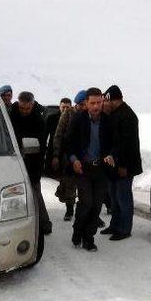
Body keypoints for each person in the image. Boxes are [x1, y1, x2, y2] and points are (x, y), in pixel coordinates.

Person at [67, 87, 115, 251]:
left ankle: (89, 237)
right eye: (92, 103)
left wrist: (111, 155)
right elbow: (70, 143)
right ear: (86, 103)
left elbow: (114, 144)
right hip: (83, 169)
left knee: (96, 206)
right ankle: (77, 231)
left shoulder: (108, 121)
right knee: (86, 203)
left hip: (101, 170)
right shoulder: (78, 119)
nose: (96, 106)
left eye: (99, 102)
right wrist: (74, 160)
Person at [100, 85, 142, 241]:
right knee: (114, 196)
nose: (104, 103)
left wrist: (125, 166)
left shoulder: (127, 116)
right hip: (114, 165)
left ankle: (124, 229)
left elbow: (129, 144)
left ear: (113, 100)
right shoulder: (115, 114)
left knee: (123, 197)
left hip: (125, 165)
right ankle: (115, 225)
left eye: (106, 100)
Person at [9, 91, 53, 235]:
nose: (24, 111)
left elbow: (40, 148)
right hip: (11, 160)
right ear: (18, 103)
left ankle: (44, 224)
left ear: (32, 105)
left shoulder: (38, 120)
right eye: (22, 108)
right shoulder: (10, 115)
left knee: (35, 193)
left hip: (32, 162)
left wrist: (37, 171)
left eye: (27, 108)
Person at [51, 90, 86, 221]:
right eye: (80, 104)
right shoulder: (68, 114)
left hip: (85, 155)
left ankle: (86, 212)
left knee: (85, 185)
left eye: (84, 104)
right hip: (69, 154)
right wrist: (56, 155)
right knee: (69, 183)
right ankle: (70, 210)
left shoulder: (90, 114)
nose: (83, 107)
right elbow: (58, 135)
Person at [44, 97, 72, 178]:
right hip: (52, 152)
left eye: (67, 107)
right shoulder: (51, 118)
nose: (65, 109)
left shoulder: (73, 119)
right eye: (63, 107)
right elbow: (45, 136)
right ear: (59, 107)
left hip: (67, 153)